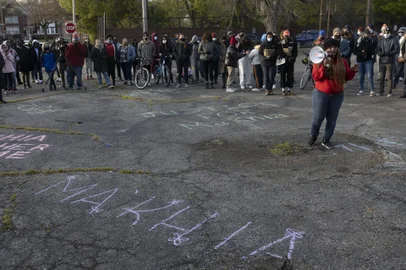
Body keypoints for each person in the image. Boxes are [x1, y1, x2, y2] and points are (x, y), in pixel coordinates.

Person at [308, 38, 357, 149]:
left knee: (332, 119)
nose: (332, 49)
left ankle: (326, 139)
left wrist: (353, 70)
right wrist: (324, 67)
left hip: (337, 95)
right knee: (318, 117)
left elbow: (346, 76)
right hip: (321, 93)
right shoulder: (319, 60)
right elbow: (316, 77)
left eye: (335, 47)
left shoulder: (342, 61)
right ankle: (313, 135)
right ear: (326, 49)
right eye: (330, 47)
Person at [377, 26, 399, 97]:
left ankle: (389, 92)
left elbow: (397, 49)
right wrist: (380, 53)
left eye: (387, 32)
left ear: (390, 32)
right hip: (382, 60)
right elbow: (378, 49)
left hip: (390, 60)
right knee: (381, 76)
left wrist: (390, 53)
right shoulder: (381, 39)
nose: (386, 33)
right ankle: (381, 91)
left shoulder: (394, 39)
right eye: (384, 32)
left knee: (389, 77)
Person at [354, 27, 375, 96]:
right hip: (360, 60)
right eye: (365, 34)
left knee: (369, 75)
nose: (366, 36)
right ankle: (361, 89)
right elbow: (355, 51)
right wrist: (361, 53)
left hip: (368, 60)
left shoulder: (371, 41)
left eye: (368, 35)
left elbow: (373, 51)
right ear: (363, 34)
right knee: (361, 76)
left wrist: (367, 52)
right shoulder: (358, 40)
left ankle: (372, 90)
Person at [280, 30, 297, 95]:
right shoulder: (281, 42)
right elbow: (280, 51)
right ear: (283, 35)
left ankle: (289, 89)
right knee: (283, 75)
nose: (286, 36)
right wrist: (284, 56)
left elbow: (295, 51)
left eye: (287, 35)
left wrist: (293, 58)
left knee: (290, 76)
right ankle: (283, 89)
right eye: (285, 35)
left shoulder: (293, 42)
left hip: (290, 62)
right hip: (283, 61)